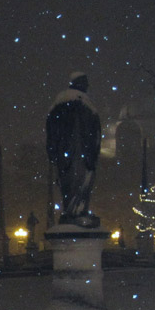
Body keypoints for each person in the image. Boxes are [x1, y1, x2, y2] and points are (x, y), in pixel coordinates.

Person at [46, 72, 102, 226]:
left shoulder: (59, 103)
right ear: (81, 84)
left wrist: (53, 150)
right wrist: (93, 150)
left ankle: (71, 212)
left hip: (65, 153)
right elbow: (94, 131)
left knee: (68, 183)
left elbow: (51, 130)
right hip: (82, 151)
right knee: (82, 181)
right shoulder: (85, 103)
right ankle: (77, 212)